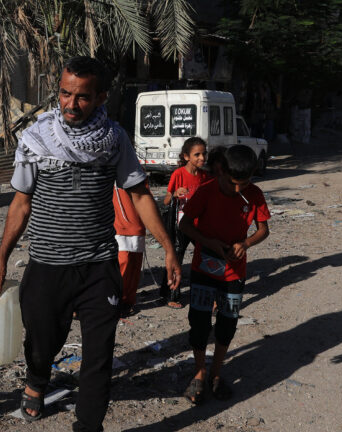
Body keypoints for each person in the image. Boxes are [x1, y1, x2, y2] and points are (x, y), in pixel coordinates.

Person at [0, 56, 181, 432]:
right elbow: (21, 203)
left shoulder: (114, 139)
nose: (71, 104)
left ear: (101, 97)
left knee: (99, 355)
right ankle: (37, 380)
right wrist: (1, 258)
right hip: (47, 264)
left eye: (82, 97)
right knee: (42, 342)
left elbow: (139, 194)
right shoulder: (36, 139)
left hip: (98, 266)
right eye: (65, 93)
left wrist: (169, 248)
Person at [178, 145, 270, 404]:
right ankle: (199, 373)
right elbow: (184, 224)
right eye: (233, 184)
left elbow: (263, 230)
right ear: (221, 171)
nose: (239, 190)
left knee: (227, 325)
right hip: (203, 271)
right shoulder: (206, 192)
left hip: (234, 273)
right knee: (199, 323)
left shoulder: (254, 194)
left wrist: (246, 244)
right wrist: (208, 242)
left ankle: (216, 374)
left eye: (245, 183)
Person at [160, 137, 211, 308]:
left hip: (200, 225)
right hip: (181, 224)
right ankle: (171, 295)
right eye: (197, 154)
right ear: (186, 156)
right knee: (177, 256)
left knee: (205, 256)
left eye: (204, 154)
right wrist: (174, 193)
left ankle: (206, 292)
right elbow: (166, 200)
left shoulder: (205, 177)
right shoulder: (178, 174)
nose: (202, 158)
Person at [112, 181, 148, 317]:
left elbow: (145, 198)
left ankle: (127, 302)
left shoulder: (138, 171)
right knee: (123, 265)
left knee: (134, 267)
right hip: (118, 227)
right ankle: (116, 302)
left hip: (138, 226)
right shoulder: (108, 166)